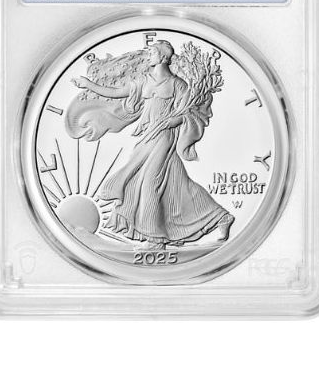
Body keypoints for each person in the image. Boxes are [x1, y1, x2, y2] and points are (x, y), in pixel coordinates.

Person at [71, 40, 233, 247]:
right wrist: (88, 84)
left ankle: (155, 237)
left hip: (164, 136)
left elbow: (191, 112)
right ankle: (220, 217)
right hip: (147, 136)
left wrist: (175, 120)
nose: (149, 56)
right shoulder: (144, 81)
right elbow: (116, 92)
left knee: (149, 183)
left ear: (163, 57)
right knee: (176, 184)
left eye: (152, 53)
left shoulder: (177, 84)